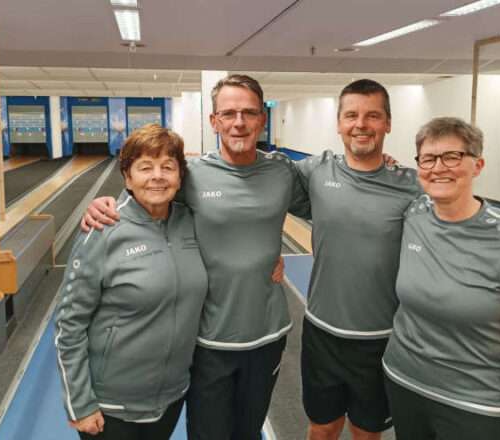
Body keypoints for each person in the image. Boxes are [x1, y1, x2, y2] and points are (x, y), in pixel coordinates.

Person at [293, 80, 500, 440]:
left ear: (388, 124)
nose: (361, 124)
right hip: (329, 334)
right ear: (338, 123)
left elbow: (465, 207)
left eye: (373, 116)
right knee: (322, 427)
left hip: (382, 339)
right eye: (351, 115)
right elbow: (262, 196)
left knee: (367, 432)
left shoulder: (413, 189)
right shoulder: (318, 172)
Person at [83, 74, 309, 440]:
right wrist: (103, 204)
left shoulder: (281, 171)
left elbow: (326, 206)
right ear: (214, 121)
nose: (239, 122)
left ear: (262, 120)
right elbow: (148, 200)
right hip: (206, 339)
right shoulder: (193, 176)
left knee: (247, 432)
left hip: (267, 333)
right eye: (230, 113)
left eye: (249, 113)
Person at [382, 117, 500, 440]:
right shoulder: (413, 212)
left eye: (452, 157)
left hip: (476, 403)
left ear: (478, 165)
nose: (439, 167)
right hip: (405, 382)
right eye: (428, 158)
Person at [54, 124, 208, 439]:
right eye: (145, 167)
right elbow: (69, 325)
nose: (157, 176)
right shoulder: (103, 229)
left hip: (171, 397)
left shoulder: (191, 224)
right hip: (112, 405)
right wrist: (79, 404)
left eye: (168, 167)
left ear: (180, 177)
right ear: (127, 177)